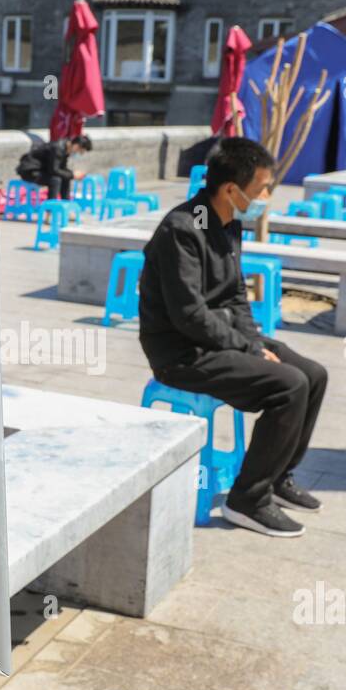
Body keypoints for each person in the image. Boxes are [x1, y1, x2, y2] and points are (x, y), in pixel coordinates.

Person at [138, 137, 328, 539]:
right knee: (288, 385)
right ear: (231, 189)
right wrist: (249, 350)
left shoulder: (228, 224)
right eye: (262, 188)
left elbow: (236, 296)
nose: (267, 196)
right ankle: (247, 500)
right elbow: (189, 316)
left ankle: (277, 476)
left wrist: (255, 344)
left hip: (217, 339)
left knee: (313, 373)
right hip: (181, 353)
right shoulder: (181, 230)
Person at [15, 134, 91, 200]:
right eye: (80, 151)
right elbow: (54, 170)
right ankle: (50, 210)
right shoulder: (57, 148)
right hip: (30, 171)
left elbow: (60, 169)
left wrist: (71, 174)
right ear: (77, 146)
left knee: (65, 177)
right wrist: (72, 175)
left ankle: (66, 204)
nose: (79, 154)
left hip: (41, 171)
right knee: (55, 180)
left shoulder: (64, 149)